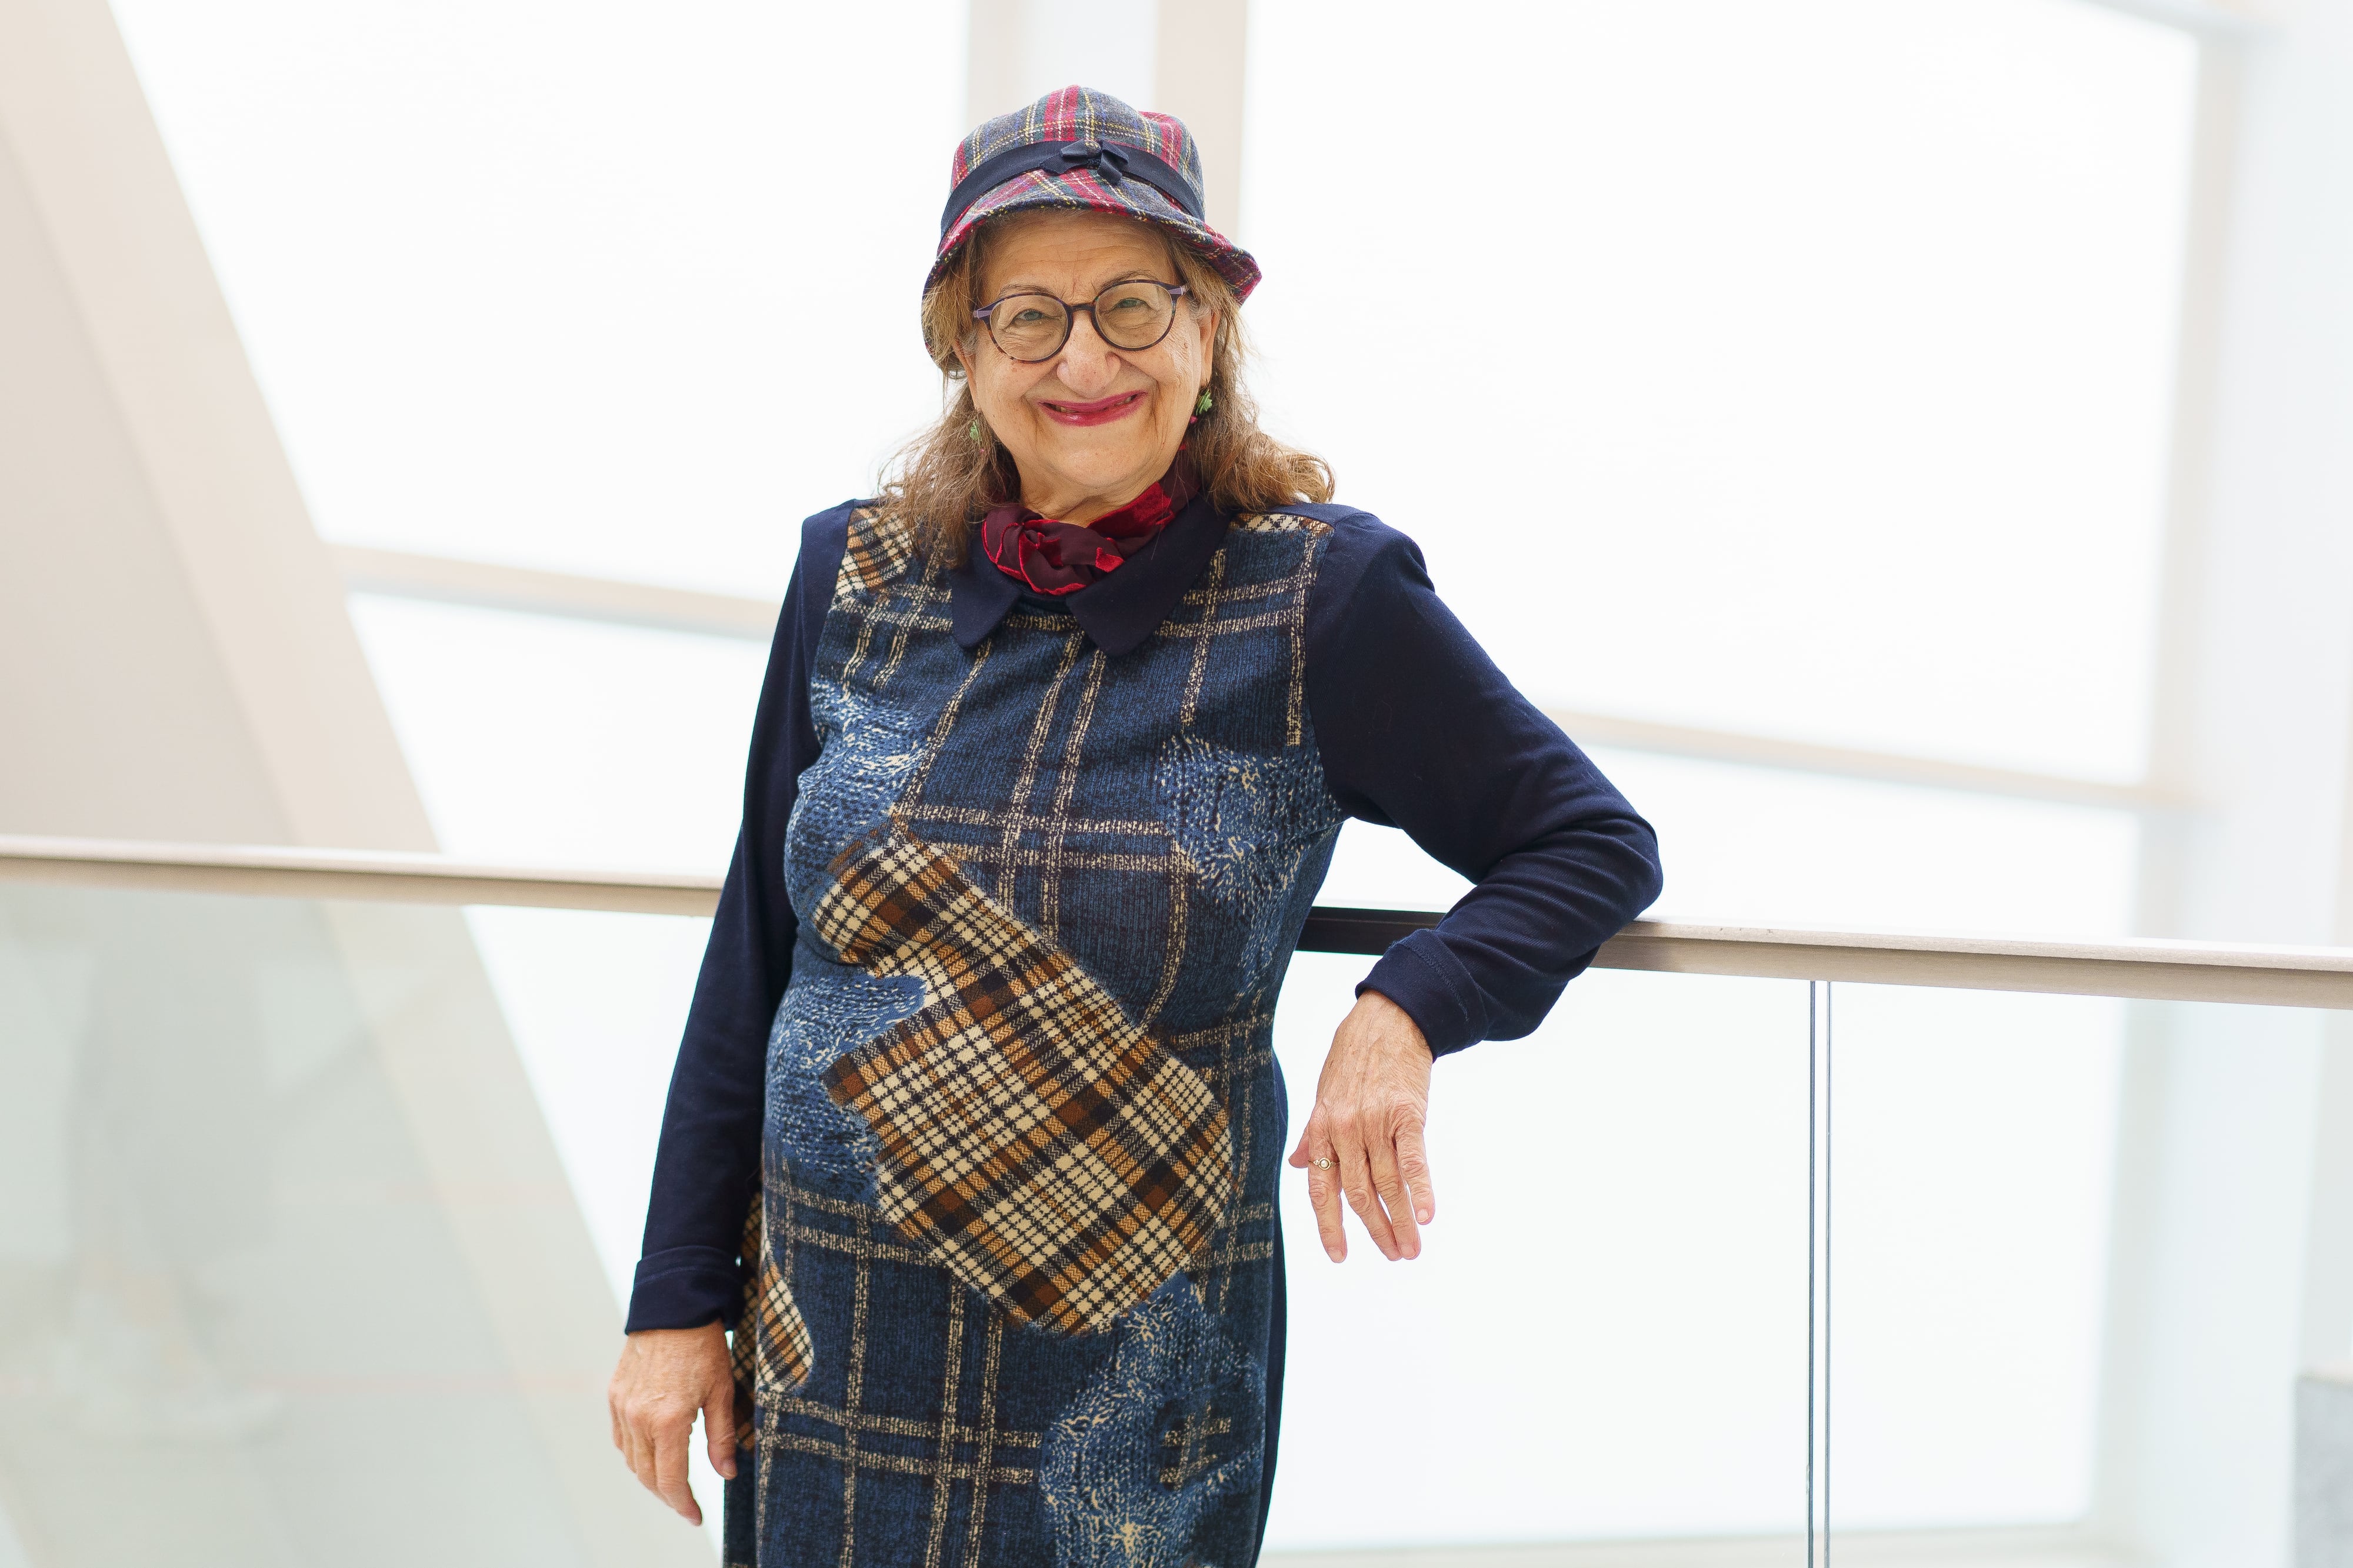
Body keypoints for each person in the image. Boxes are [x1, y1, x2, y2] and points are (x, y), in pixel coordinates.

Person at [607, 85, 1662, 1567]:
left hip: (1125, 1413)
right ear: (961, 351)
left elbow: (1585, 842)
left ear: (1208, 337)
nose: (1081, 357)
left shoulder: (1323, 599)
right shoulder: (846, 575)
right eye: (1026, 314)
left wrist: (1405, 1006)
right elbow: (756, 960)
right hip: (824, 1348)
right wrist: (672, 1303)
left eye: (1132, 305)